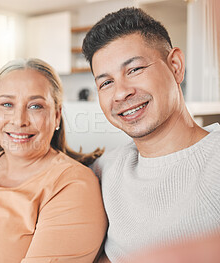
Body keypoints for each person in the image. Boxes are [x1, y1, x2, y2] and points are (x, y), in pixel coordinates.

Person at [0, 58, 107, 263]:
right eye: (7, 104)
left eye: (35, 106)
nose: (19, 120)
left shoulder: (72, 183)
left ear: (57, 116)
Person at [82, 7, 220, 262]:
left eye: (134, 69)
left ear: (175, 66)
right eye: (106, 83)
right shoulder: (105, 169)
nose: (121, 93)